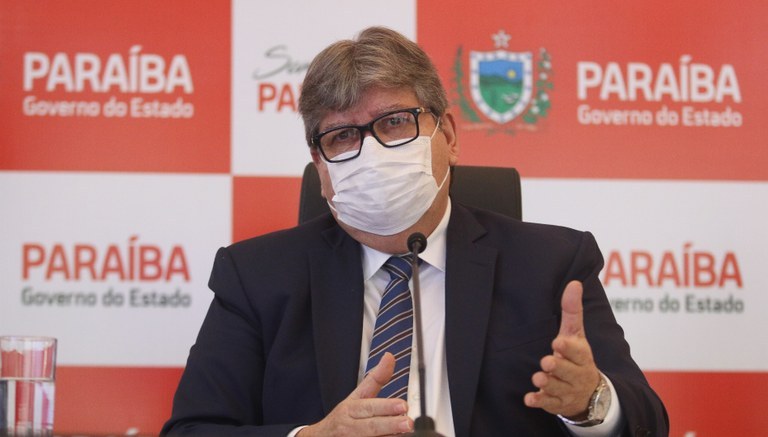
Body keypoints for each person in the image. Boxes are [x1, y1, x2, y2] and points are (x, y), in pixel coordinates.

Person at [162, 26, 668, 436]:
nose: (371, 153)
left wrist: (589, 402)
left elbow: (648, 422)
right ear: (320, 167)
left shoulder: (550, 263)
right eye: (343, 136)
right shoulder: (255, 277)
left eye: (394, 123)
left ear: (447, 135)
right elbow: (192, 429)